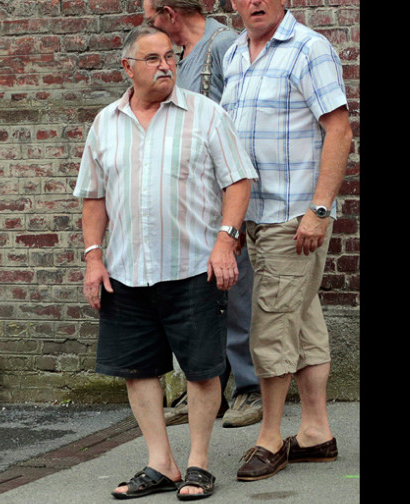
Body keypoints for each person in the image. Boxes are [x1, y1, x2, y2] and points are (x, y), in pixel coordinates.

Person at [74, 25, 256, 500]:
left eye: (171, 56)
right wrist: (94, 258)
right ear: (127, 67)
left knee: (201, 369)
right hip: (126, 270)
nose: (165, 65)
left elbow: (238, 181)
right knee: (138, 369)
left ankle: (197, 462)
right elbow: (93, 197)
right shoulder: (105, 124)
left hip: (194, 266)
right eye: (152, 58)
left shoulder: (206, 115)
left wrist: (226, 241)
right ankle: (161, 463)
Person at [219, 0, 352, 482]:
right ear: (232, 1)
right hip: (253, 214)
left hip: (292, 217)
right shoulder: (234, 55)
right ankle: (316, 431)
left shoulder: (308, 49)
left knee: (271, 324)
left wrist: (318, 210)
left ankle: (270, 438)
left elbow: (339, 131)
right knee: (303, 319)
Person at [142, 0, 263, 430]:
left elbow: (237, 122)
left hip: (226, 193)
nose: (151, 26)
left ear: (170, 14)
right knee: (206, 296)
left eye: (152, 17)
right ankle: (212, 389)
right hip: (195, 199)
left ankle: (250, 389)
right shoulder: (183, 55)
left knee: (239, 293)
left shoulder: (224, 45)